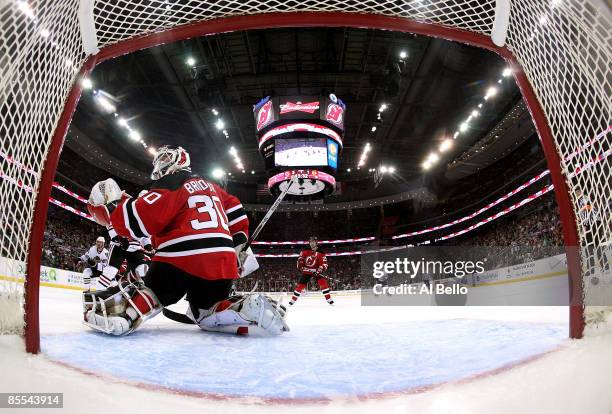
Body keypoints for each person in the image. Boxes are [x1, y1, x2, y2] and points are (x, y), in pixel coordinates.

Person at [85, 145, 288, 336]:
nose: (160, 163)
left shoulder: (172, 182)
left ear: (179, 161)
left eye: (165, 158)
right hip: (222, 263)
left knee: (155, 290)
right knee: (206, 311)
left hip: (180, 257)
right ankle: (242, 309)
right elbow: (236, 210)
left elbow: (143, 218)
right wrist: (237, 245)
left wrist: (116, 209)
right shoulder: (213, 187)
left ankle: (127, 316)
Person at [289, 236, 334, 306]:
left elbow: (324, 263)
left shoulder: (321, 252)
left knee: (323, 283)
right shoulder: (305, 251)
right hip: (307, 271)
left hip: (317, 271)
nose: (312, 243)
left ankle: (329, 299)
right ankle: (292, 300)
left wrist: (320, 270)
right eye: (310, 242)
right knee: (300, 286)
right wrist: (301, 265)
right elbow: (300, 260)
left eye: (313, 242)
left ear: (316, 242)